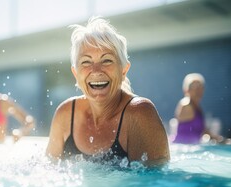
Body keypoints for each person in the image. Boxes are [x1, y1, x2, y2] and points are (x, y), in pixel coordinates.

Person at [46, 17, 170, 167]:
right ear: (76, 74)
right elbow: (48, 170)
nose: (96, 71)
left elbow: (151, 186)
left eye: (107, 60)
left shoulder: (139, 113)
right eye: (86, 62)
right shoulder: (65, 114)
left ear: (124, 70)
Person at [171, 73, 225, 144]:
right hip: (182, 146)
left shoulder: (197, 107)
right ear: (186, 90)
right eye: (193, 86)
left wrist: (219, 139)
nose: (197, 90)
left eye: (200, 86)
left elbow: (203, 130)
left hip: (192, 146)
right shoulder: (186, 105)